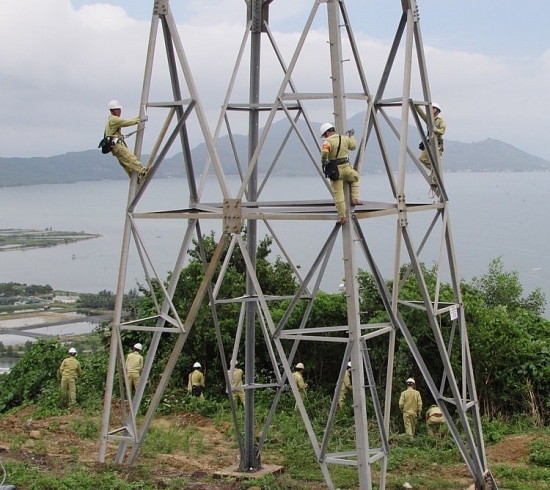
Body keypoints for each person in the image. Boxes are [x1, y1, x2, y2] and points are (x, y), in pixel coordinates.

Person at [320, 123, 362, 225]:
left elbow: (325, 152)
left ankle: (342, 217)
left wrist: (324, 160)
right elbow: (353, 146)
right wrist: (351, 136)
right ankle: (355, 198)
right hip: (346, 167)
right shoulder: (344, 138)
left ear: (326, 133)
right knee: (355, 177)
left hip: (335, 171)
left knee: (338, 195)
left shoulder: (328, 141)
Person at [105, 100, 149, 180]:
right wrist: (140, 120)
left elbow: (126, 121)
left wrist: (139, 118)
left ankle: (135, 178)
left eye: (119, 109)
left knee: (125, 163)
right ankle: (142, 171)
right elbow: (127, 122)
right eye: (117, 109)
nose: (119, 111)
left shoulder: (111, 119)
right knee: (130, 158)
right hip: (116, 145)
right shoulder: (114, 120)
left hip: (114, 145)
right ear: (112, 111)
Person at [416, 102, 446, 187]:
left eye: (433, 108)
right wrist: (416, 106)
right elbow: (422, 114)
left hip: (437, 144)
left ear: (437, 111)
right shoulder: (429, 120)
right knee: (422, 158)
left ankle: (436, 178)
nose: (432, 110)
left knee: (437, 162)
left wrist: (436, 130)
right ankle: (434, 171)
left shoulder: (440, 121)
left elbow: (442, 131)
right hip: (429, 143)